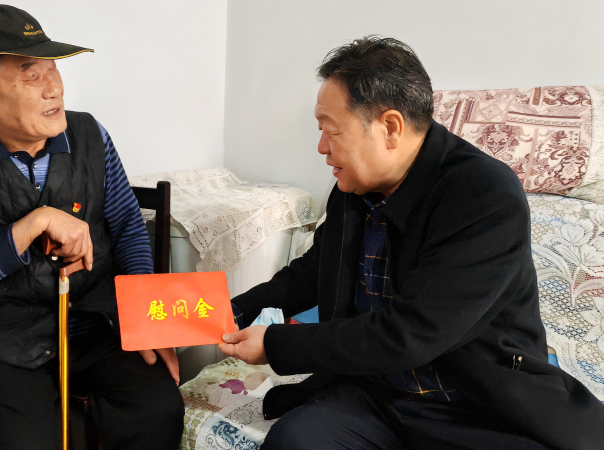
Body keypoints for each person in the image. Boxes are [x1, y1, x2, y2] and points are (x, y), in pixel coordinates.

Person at [219, 36, 604, 450]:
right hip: (373, 392)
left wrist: (275, 344)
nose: (322, 148)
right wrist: (234, 309)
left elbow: (413, 331)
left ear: (389, 127)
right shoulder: (353, 188)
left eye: (332, 131)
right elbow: (316, 270)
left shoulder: (483, 195)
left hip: (473, 403)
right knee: (295, 442)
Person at [0, 5, 183, 449]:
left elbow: (128, 227)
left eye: (53, 68)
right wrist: (34, 223)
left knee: (158, 409)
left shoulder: (89, 134)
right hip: (8, 341)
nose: (54, 87)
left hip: (96, 323)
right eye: (31, 74)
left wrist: (144, 322)